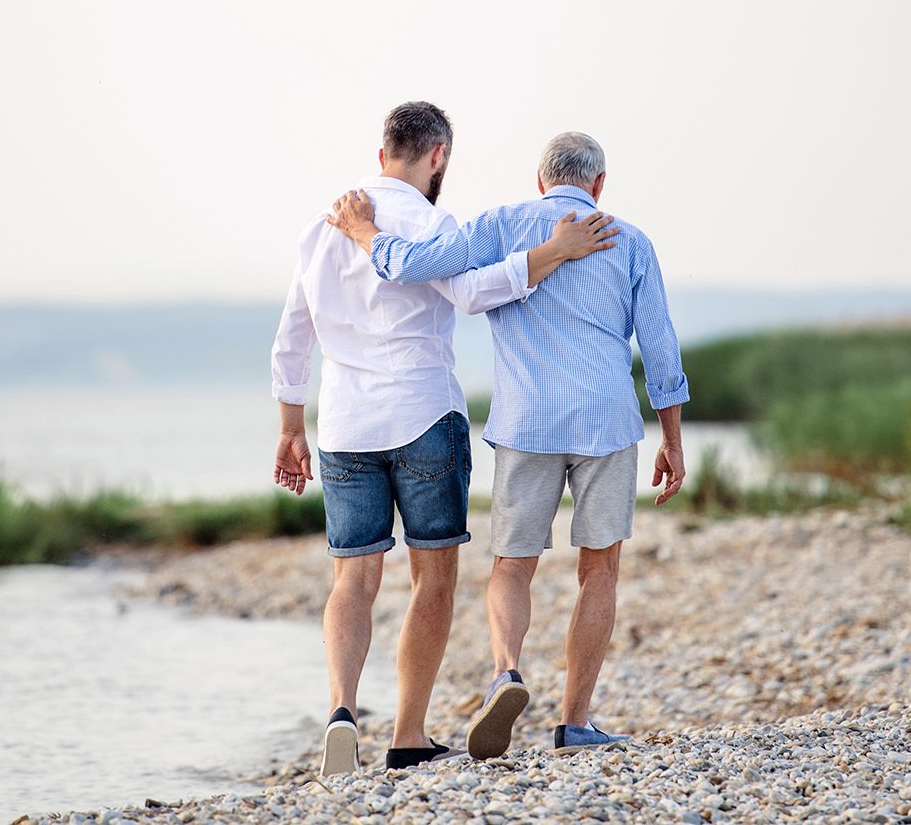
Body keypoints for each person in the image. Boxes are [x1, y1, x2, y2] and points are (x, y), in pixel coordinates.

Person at [270, 103, 619, 775]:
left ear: (382, 155)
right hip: (424, 413)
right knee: (433, 577)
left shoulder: (325, 227)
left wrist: (290, 427)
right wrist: (552, 252)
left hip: (344, 423)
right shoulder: (435, 224)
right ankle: (406, 736)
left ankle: (342, 709)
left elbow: (291, 336)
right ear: (438, 158)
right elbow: (476, 292)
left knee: (353, 578)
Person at [325, 131, 689, 758]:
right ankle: (575, 724)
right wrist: (673, 439)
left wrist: (363, 235)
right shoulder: (630, 239)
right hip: (607, 422)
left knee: (512, 566)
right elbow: (659, 347)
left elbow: (415, 267)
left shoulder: (499, 224)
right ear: (598, 184)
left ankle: (507, 670)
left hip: (526, 424)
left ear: (541, 180)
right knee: (599, 570)